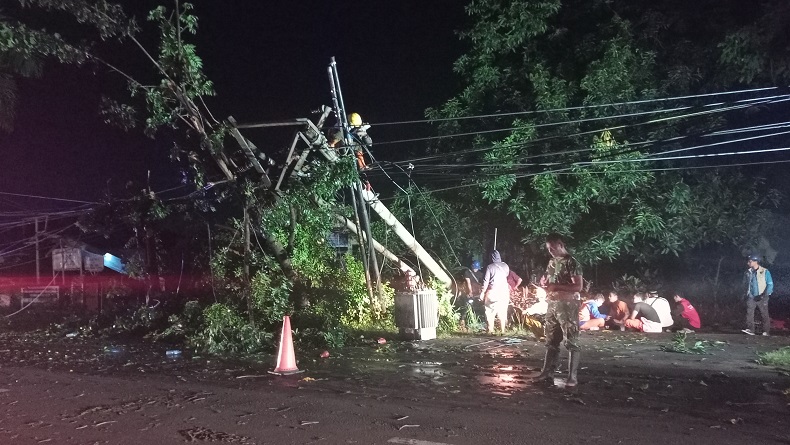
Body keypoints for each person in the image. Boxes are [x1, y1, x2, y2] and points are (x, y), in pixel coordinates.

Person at [533, 233, 583, 387]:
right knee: (551, 340)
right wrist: (545, 282)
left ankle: (572, 377)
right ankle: (547, 372)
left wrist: (556, 286)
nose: (551, 251)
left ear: (561, 245)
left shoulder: (572, 262)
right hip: (553, 304)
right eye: (549, 249)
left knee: (571, 340)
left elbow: (578, 286)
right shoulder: (552, 262)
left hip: (567, 305)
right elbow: (550, 280)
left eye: (553, 248)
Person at [479, 250, 510, 335]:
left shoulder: (490, 267)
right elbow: (506, 275)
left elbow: (486, 281)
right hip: (504, 291)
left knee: (489, 310)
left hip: (493, 291)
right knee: (503, 311)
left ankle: (490, 330)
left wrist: (482, 292)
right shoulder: (505, 266)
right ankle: (503, 331)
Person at [743, 254, 773, 336]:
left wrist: (765, 294)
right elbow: (746, 283)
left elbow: (770, 284)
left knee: (764, 313)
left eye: (750, 261)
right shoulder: (748, 272)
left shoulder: (765, 271)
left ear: (756, 262)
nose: (748, 263)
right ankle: (750, 329)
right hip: (751, 295)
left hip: (762, 296)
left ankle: (766, 331)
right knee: (749, 313)